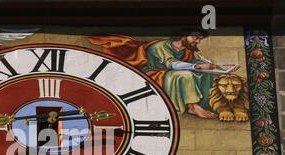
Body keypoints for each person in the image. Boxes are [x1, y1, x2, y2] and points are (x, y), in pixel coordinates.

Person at [88, 29, 219, 118]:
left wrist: (207, 65)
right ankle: (192, 106)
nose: (197, 41)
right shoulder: (160, 46)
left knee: (204, 74)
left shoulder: (187, 50)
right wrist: (197, 66)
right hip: (154, 75)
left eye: (199, 39)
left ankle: (204, 104)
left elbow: (190, 61)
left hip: (168, 74)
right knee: (186, 75)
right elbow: (172, 64)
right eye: (195, 38)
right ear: (183, 36)